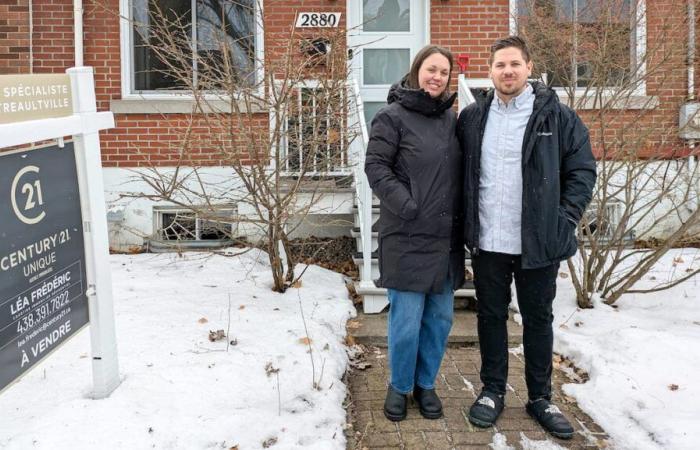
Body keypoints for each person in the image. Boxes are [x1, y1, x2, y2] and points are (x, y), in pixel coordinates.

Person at [457, 36, 596, 439]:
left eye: (515, 64)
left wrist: (564, 218)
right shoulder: (474, 117)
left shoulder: (557, 116)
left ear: (529, 67)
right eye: (500, 65)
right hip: (489, 239)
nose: (508, 71)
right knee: (490, 317)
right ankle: (492, 391)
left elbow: (582, 170)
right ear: (490, 71)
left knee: (538, 319)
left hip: (538, 242)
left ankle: (540, 397)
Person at [364, 45, 465, 422]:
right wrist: (408, 206)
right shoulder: (391, 117)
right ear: (416, 71)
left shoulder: (451, 120)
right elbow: (376, 167)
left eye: (443, 72)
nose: (436, 77)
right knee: (406, 321)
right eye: (430, 69)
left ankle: (426, 385)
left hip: (444, 238)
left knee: (439, 320)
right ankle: (400, 386)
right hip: (406, 234)